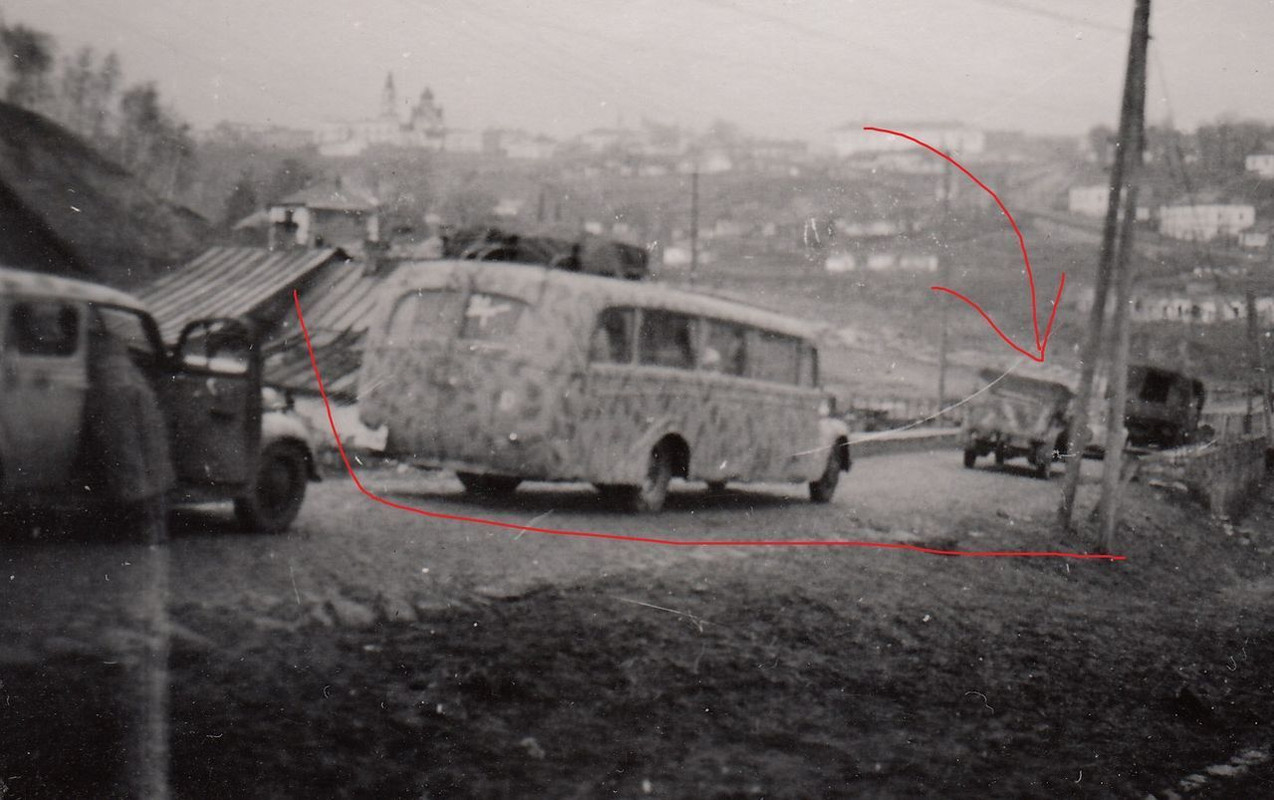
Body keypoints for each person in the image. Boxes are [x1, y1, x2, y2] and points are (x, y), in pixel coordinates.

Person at [80, 310, 175, 543]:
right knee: (150, 456)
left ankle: (147, 528)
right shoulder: (113, 337)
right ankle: (156, 528)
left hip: (113, 393)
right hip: (137, 389)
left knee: (128, 457)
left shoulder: (88, 339)